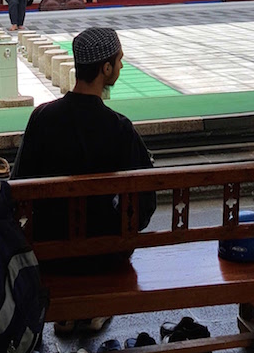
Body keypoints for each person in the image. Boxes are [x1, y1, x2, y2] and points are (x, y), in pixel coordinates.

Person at [13, 25, 155, 253]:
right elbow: (145, 204)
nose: (121, 65)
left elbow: (18, 185)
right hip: (107, 255)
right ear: (106, 68)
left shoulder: (42, 118)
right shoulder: (119, 128)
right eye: (119, 60)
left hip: (49, 252)